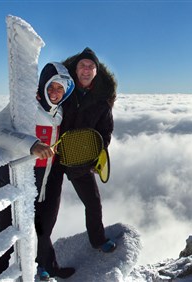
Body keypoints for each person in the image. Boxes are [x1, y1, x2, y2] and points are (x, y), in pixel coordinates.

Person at [0, 62, 76, 280]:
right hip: (12, 182)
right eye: (51, 87)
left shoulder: (59, 112)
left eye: (60, 89)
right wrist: (31, 144)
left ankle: (43, 268)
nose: (55, 93)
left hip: (40, 183)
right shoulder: (22, 108)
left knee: (37, 231)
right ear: (42, 87)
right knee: (7, 238)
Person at [57, 47, 117, 253]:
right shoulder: (60, 91)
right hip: (51, 157)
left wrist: (94, 157)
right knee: (46, 210)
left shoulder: (102, 102)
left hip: (80, 159)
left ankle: (98, 240)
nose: (86, 69)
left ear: (96, 72)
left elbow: (105, 132)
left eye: (91, 66)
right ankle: (43, 261)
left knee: (93, 203)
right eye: (83, 65)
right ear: (75, 69)